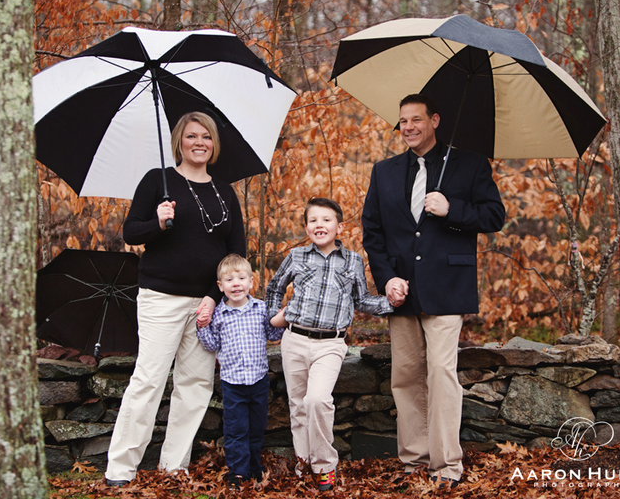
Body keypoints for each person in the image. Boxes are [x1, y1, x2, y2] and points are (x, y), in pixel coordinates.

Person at [361, 94, 505, 488]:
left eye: (416, 120)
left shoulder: (470, 164)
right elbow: (373, 233)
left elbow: (495, 216)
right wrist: (386, 277)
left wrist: (452, 209)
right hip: (401, 291)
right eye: (402, 121)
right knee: (406, 376)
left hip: (447, 288)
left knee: (442, 373)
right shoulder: (384, 171)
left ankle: (447, 465)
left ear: (435, 120)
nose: (408, 127)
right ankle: (413, 459)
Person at [105, 111, 246, 488]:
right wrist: (159, 221)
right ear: (179, 142)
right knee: (148, 380)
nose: (199, 143)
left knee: (195, 385)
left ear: (213, 145)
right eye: (191, 137)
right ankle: (120, 469)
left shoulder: (225, 191)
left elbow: (236, 253)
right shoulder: (158, 181)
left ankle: (174, 466)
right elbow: (132, 233)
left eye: (206, 137)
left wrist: (215, 298)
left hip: (205, 304)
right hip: (161, 298)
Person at [265, 197, 393, 492]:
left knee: (317, 400)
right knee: (298, 406)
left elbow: (361, 300)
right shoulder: (297, 257)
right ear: (306, 227)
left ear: (340, 227)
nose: (319, 225)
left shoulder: (353, 261)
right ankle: (303, 463)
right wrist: (273, 316)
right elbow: (274, 287)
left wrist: (391, 303)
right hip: (294, 339)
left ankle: (324, 466)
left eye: (326, 219)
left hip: (330, 344)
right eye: (313, 220)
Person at [195, 254, 284, 489]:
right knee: (236, 430)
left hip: (258, 381)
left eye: (241, 278)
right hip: (232, 383)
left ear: (251, 281)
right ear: (220, 286)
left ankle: (254, 468)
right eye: (229, 279)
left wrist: (284, 320)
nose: (236, 283)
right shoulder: (218, 315)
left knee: (256, 427)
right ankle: (238, 472)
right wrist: (202, 326)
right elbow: (211, 345)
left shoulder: (261, 309)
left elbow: (274, 335)